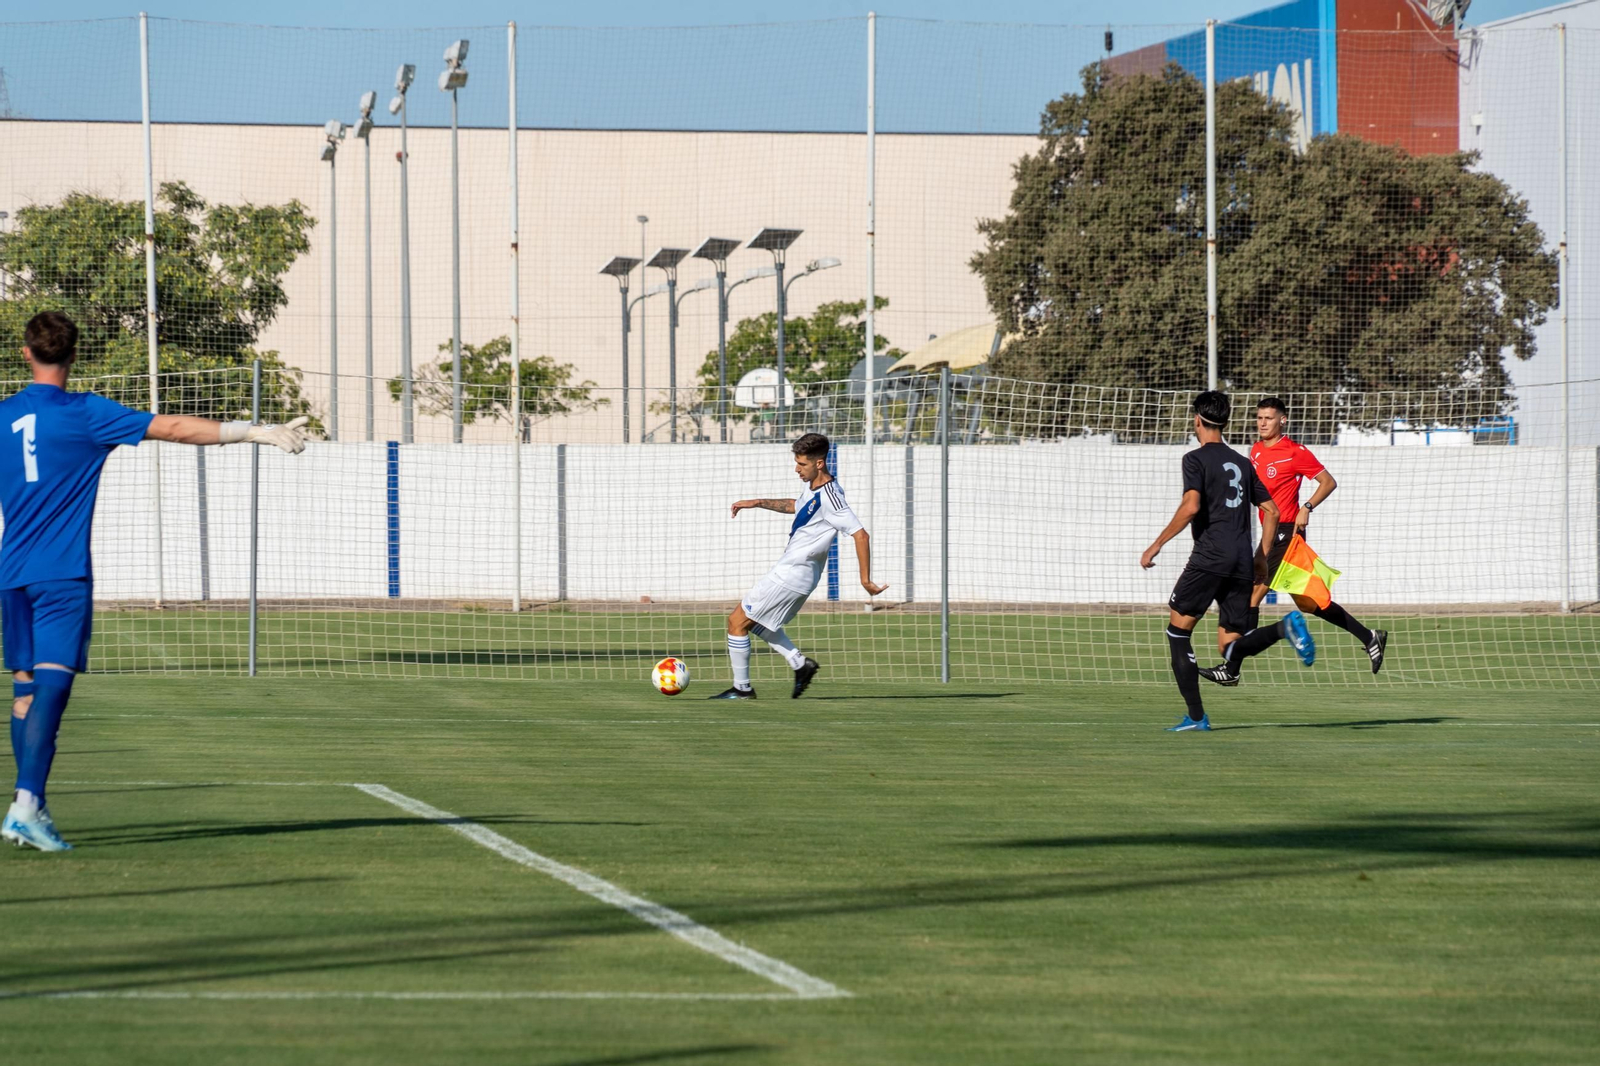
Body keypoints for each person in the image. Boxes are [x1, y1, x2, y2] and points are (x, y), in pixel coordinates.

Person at [1, 311, 310, 851]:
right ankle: (25, 803)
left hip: (11, 574)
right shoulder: (85, 411)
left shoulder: (4, 416)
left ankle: (31, 807)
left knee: (24, 690)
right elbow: (170, 427)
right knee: (54, 683)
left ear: (26, 353)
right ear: (74, 357)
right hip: (61, 573)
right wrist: (252, 432)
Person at [1140, 390, 1315, 732]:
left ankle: (1196, 717)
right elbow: (1272, 511)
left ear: (1197, 420)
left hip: (1209, 557)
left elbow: (1191, 507)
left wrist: (1156, 544)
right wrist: (1261, 558)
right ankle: (1285, 628)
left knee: (1178, 634)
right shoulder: (1243, 462)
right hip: (1240, 560)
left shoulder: (1195, 459)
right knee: (1229, 647)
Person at [1199, 397, 1386, 686]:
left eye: (1269, 418)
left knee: (1252, 593)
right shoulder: (1257, 450)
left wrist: (1306, 507)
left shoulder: (1295, 452)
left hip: (1286, 532)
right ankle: (1370, 636)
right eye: (1259, 417)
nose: (1262, 423)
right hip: (1269, 532)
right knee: (1310, 604)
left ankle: (1232, 668)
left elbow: (1328, 482)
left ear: (1282, 420)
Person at [710, 433, 887, 700]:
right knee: (759, 624)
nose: (796, 469)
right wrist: (757, 502)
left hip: (793, 573)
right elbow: (798, 506)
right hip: (794, 571)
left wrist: (865, 581)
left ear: (819, 463)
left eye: (802, 464)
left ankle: (742, 689)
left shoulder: (832, 497)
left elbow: (860, 534)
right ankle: (799, 664)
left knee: (737, 621)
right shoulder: (813, 488)